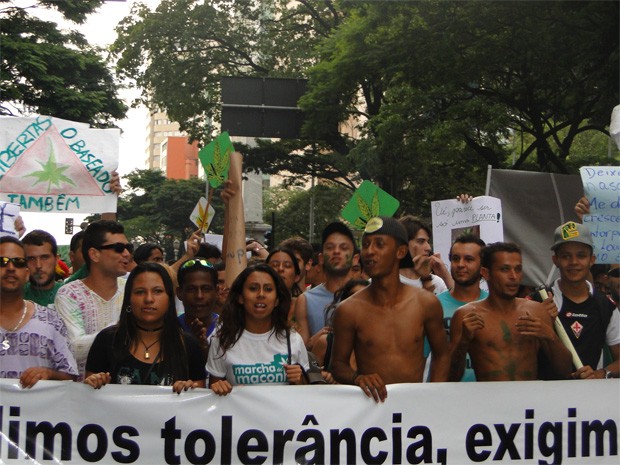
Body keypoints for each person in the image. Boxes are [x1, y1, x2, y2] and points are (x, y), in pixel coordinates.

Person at [331, 217, 450, 402]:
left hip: (416, 412)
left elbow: (442, 354)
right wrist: (357, 378)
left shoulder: (426, 303)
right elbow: (338, 365)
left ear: (400, 251)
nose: (370, 252)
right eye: (365, 244)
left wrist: (432, 395)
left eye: (379, 244)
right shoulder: (348, 310)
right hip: (373, 415)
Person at [450, 242, 573, 381]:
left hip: (527, 399)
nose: (513, 276)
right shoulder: (466, 315)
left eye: (518, 269)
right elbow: (451, 377)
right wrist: (463, 341)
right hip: (490, 399)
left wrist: (550, 336)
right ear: (486, 273)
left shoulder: (536, 311)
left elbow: (565, 372)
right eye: (504, 269)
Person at [83, 263, 206, 393]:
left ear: (170, 298)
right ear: (129, 298)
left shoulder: (188, 345)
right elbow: (89, 397)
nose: (148, 299)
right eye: (140, 292)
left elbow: (199, 398)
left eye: (157, 291)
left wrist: (190, 387)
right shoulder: (107, 340)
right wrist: (94, 382)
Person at [207, 264, 309, 395]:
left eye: (268, 289)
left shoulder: (292, 338)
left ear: (277, 300)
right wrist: (219, 387)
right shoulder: (223, 339)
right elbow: (212, 392)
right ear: (240, 297)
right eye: (253, 288)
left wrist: (300, 381)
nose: (261, 294)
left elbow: (307, 395)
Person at [55, 220, 132, 378]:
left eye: (129, 248)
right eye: (118, 248)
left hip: (127, 392)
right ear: (94, 254)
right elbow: (74, 348)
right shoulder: (70, 294)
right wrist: (122, 328)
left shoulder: (133, 290)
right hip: (82, 394)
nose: (126, 254)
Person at [0, 236, 77, 387]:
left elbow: (71, 376)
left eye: (18, 262)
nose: (10, 268)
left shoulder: (51, 320)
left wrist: (49, 373)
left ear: (27, 273)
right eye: (2, 261)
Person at [547, 221, 619, 379]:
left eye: (581, 255)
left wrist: (601, 373)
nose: (573, 262)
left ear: (592, 259)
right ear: (555, 260)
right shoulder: (541, 301)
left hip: (589, 399)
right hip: (547, 399)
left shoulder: (606, 306)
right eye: (566, 256)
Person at [295, 222, 358, 346]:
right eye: (330, 247)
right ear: (321, 258)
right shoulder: (305, 300)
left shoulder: (369, 293)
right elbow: (300, 353)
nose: (336, 252)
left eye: (343, 248)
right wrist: (314, 342)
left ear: (355, 259)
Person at [435, 234, 487, 381]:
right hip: (447, 395)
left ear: (483, 266)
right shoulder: (434, 306)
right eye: (455, 258)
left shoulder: (494, 305)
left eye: (469, 259)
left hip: (489, 395)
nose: (460, 264)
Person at [176, 258, 219, 359]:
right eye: (191, 289)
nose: (199, 296)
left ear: (217, 292)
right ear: (179, 293)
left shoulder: (229, 331)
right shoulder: (169, 330)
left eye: (206, 289)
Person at [398, 215, 451, 294]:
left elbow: (462, 304)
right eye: (421, 241)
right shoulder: (385, 284)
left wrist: (445, 275)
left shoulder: (436, 282)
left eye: (427, 242)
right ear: (403, 245)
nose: (428, 248)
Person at [21, 229, 62, 307]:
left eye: (44, 257)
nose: (38, 265)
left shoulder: (70, 295)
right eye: (31, 259)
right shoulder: (12, 297)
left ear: (56, 260)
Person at [266, 247, 302, 319]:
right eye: (275, 265)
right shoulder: (258, 304)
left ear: (296, 277)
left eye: (287, 266)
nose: (280, 269)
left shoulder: (303, 306)